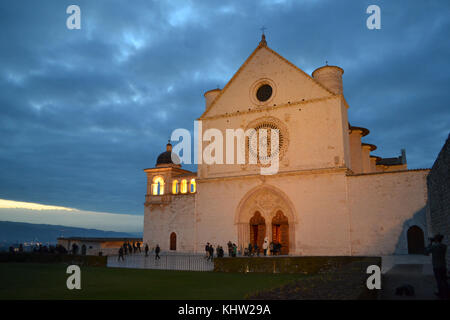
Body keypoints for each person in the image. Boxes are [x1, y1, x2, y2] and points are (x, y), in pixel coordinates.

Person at [425, 234, 448, 299]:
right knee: (444, 280)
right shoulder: (444, 246)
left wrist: (430, 243)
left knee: (439, 281)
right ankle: (447, 292)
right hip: (443, 265)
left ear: (436, 239)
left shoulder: (434, 247)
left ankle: (441, 294)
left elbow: (426, 252)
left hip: (436, 266)